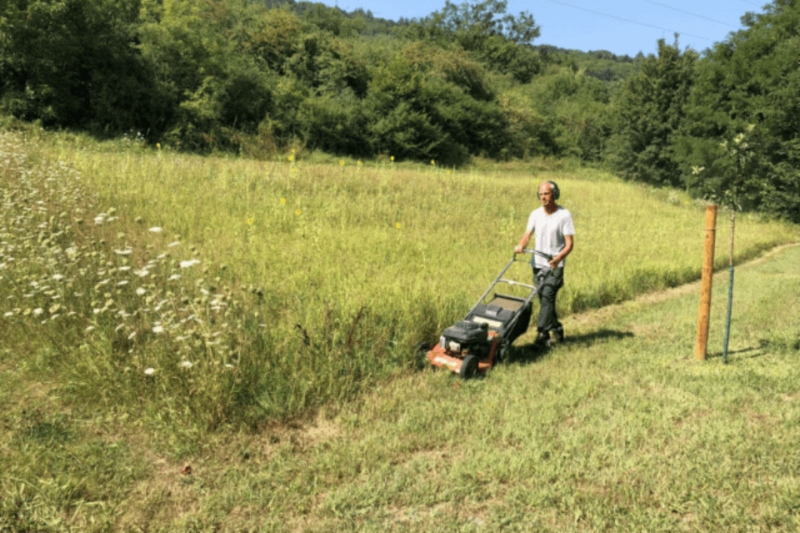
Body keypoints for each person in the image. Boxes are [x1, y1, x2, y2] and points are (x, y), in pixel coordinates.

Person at [514, 181, 575, 347]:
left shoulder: (564, 215)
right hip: (537, 264)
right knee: (545, 301)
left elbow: (569, 244)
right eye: (541, 194)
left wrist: (558, 258)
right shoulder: (535, 214)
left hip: (555, 266)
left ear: (554, 194)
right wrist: (521, 245)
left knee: (547, 297)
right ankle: (556, 328)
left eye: (546, 194)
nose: (543, 197)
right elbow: (527, 234)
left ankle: (541, 334)